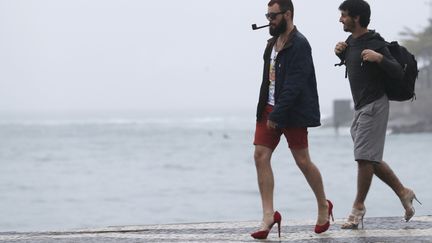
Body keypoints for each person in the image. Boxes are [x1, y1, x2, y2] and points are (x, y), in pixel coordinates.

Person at [334, 0, 421, 229]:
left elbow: (396, 71)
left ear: (357, 18)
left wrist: (379, 57)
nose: (340, 19)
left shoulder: (375, 43)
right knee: (370, 158)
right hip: (360, 108)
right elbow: (358, 68)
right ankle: (404, 192)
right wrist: (341, 53)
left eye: (344, 15)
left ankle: (358, 207)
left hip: (374, 105)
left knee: (364, 158)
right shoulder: (352, 41)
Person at [251, 0, 333, 239]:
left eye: (273, 16)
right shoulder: (271, 44)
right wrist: (266, 110)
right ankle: (268, 215)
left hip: (292, 111)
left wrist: (279, 113)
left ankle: (323, 205)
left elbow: (296, 84)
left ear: (287, 14)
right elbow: (270, 81)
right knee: (260, 156)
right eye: (267, 16)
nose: (270, 20)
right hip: (269, 108)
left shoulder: (300, 45)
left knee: (303, 161)